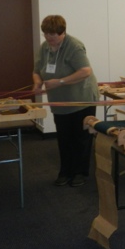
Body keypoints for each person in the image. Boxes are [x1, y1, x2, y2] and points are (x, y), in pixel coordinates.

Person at [32, 15, 99, 187]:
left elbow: (85, 71)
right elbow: (37, 70)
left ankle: (80, 172)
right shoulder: (44, 48)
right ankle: (65, 171)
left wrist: (60, 81)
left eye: (53, 35)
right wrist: (37, 83)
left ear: (62, 33)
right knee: (64, 138)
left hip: (81, 99)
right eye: (46, 34)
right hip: (59, 101)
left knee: (81, 138)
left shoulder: (74, 46)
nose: (49, 38)